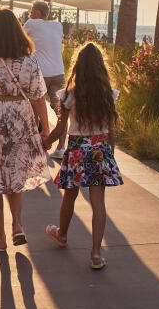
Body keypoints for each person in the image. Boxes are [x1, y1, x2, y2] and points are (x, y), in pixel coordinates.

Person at [0, 9, 51, 252]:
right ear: (17, 31)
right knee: (16, 173)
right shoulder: (29, 60)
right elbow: (38, 97)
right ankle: (17, 225)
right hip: (20, 116)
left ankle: (1, 238)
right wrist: (44, 129)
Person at [42, 43, 123, 269]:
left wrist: (46, 142)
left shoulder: (70, 94)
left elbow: (60, 129)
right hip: (100, 149)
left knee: (70, 196)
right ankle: (96, 254)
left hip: (77, 149)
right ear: (100, 67)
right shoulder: (108, 95)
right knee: (98, 202)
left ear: (78, 66)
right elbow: (110, 131)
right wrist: (111, 156)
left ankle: (62, 234)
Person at [22, 0, 66, 157]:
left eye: (31, 10)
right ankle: (61, 148)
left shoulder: (31, 23)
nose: (30, 13)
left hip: (40, 73)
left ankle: (34, 145)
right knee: (62, 112)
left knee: (33, 109)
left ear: (36, 12)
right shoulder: (58, 25)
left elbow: (21, 39)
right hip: (58, 72)